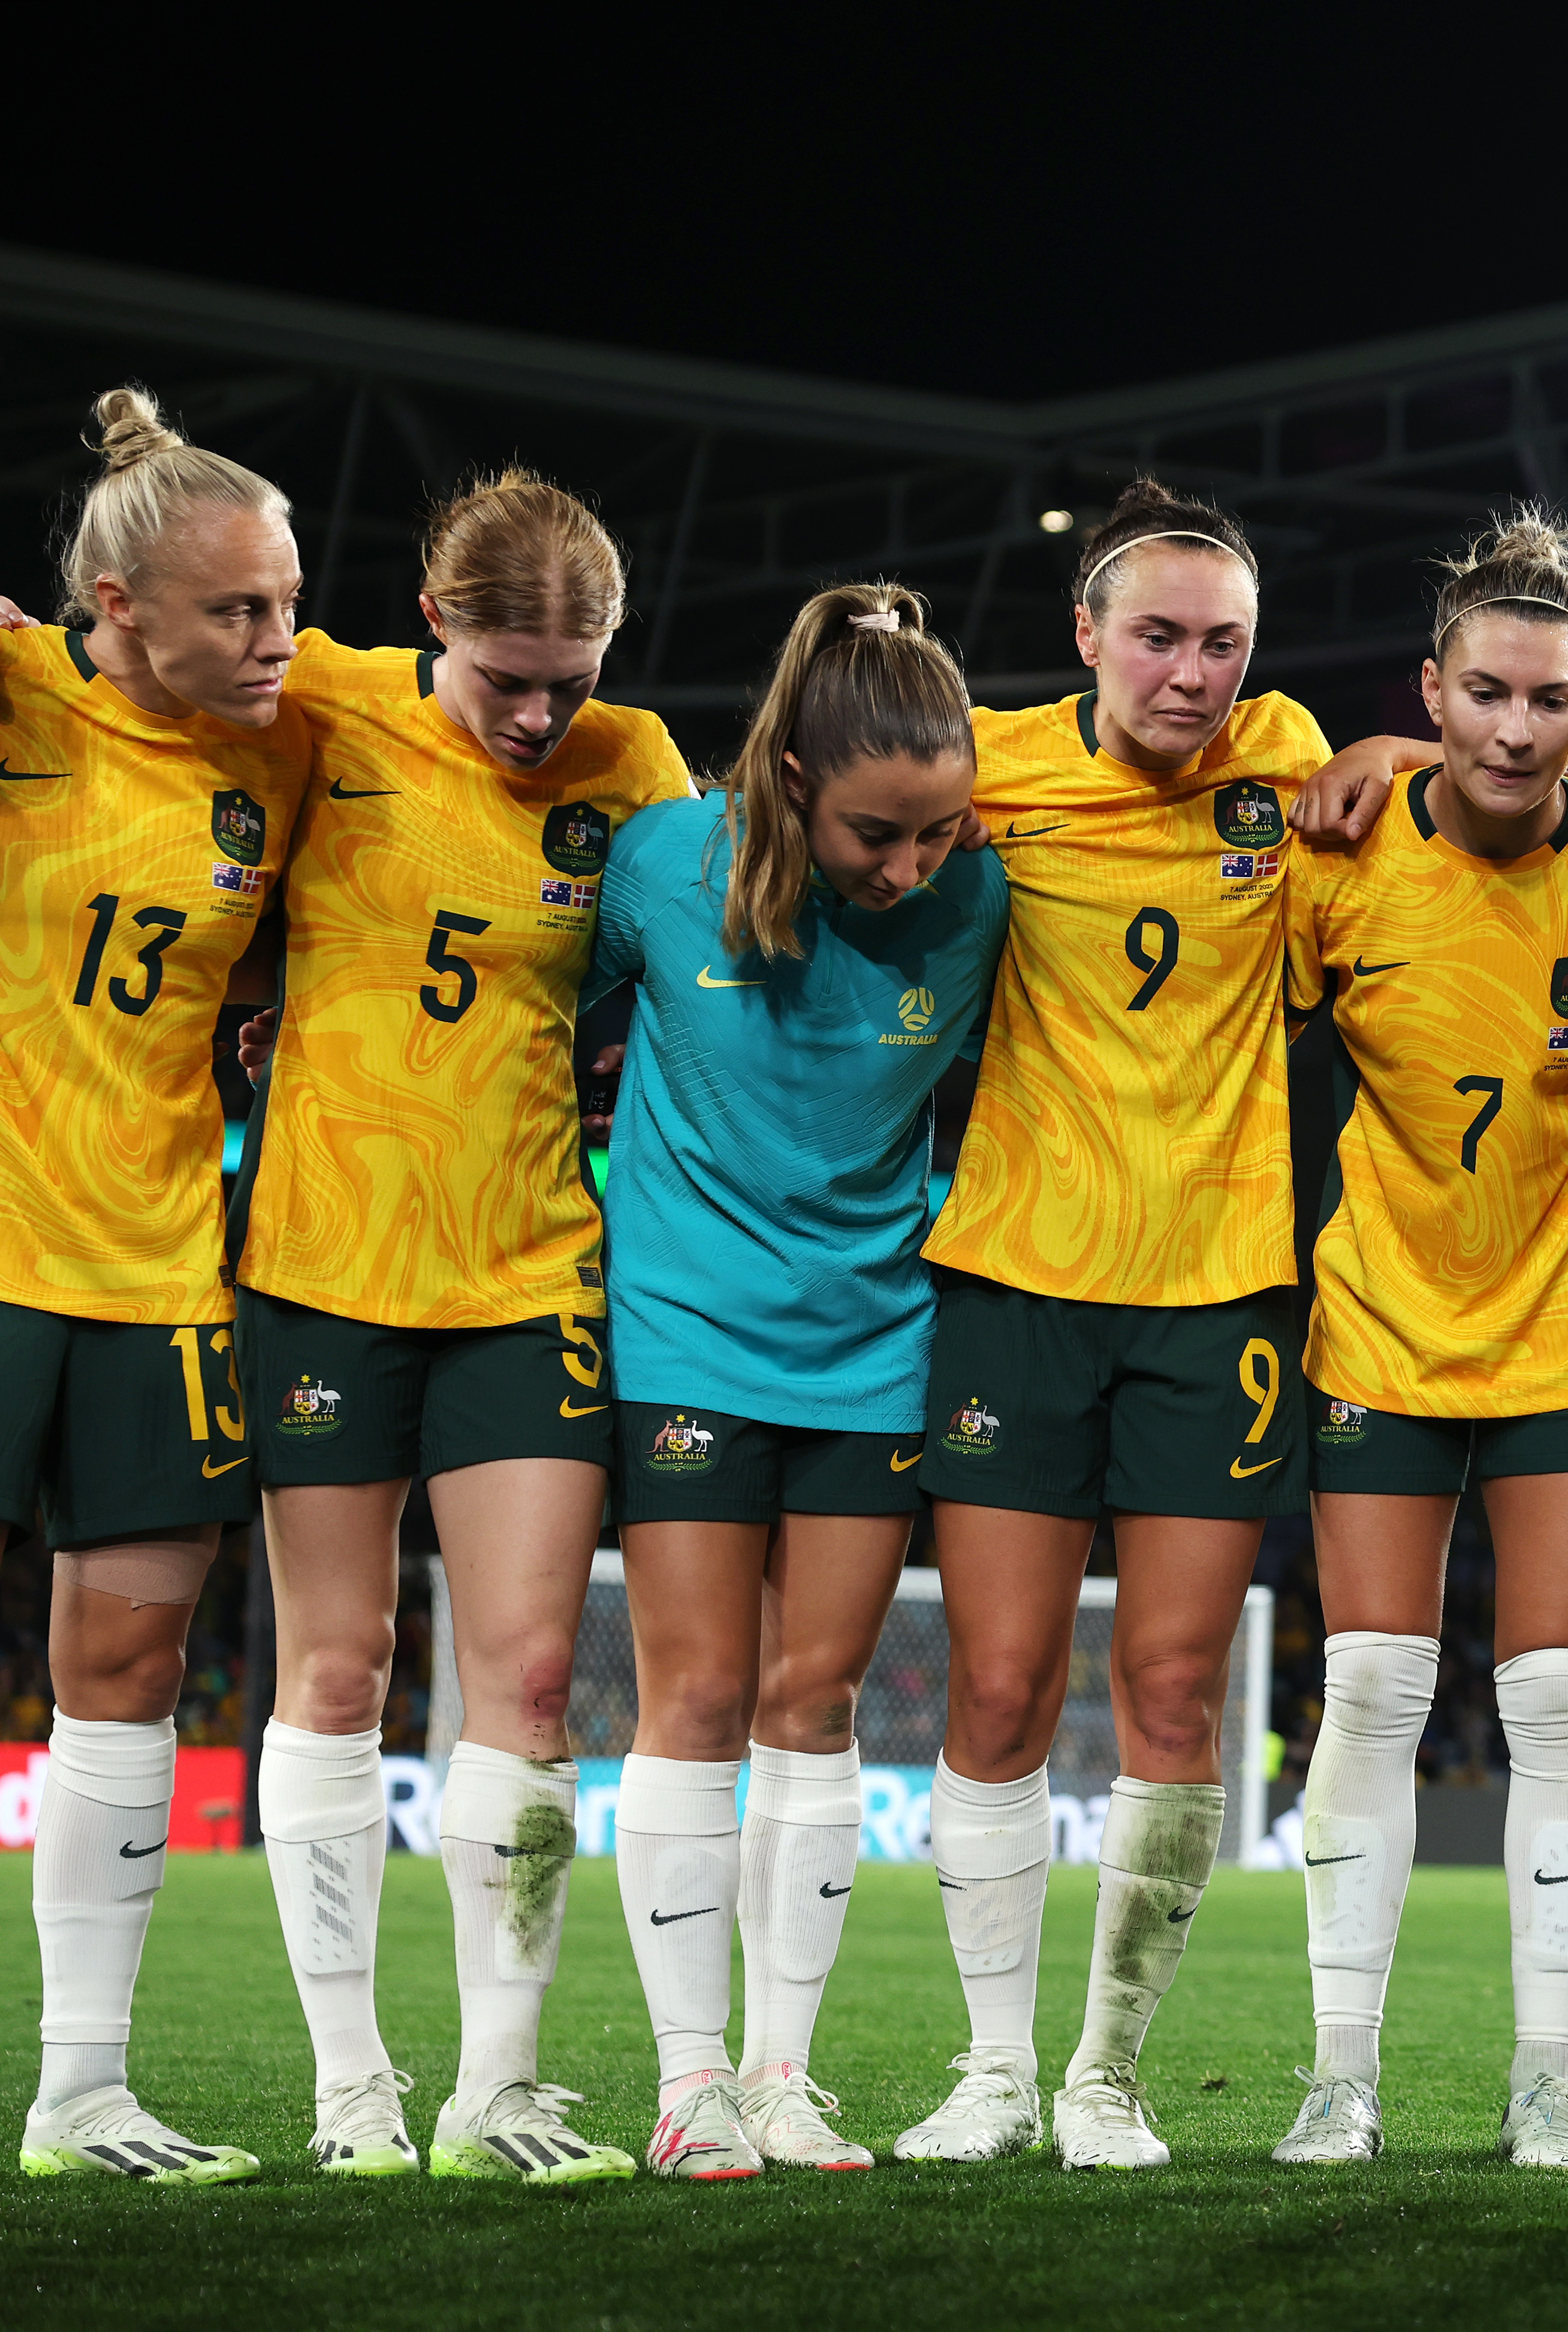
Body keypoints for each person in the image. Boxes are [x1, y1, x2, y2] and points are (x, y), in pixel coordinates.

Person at [894, 483, 1428, 2167]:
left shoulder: (1288, 764)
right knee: (991, 1686)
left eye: (1222, 643)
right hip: (1016, 1283)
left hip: (1220, 1298)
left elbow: (1442, 793)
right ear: (1084, 638)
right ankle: (991, 2068)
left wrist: (1401, 752)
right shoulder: (988, 773)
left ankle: (1107, 2074)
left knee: (1178, 1686)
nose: (1191, 674)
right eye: (1158, 637)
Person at [242, 471, 690, 2185]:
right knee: (338, 1672)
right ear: (435, 622)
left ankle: (493, 2091)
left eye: (569, 679)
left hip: (526, 1272)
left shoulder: (635, 767)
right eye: (508, 673)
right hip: (325, 1265)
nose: (536, 713)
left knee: (524, 1679)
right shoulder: (329, 704)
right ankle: (352, 2091)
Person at [1269, 511, 1568, 2170]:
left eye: (1549, 699)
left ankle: (1548, 2081)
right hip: (1380, 1320)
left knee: (1553, 1703)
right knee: (1373, 1692)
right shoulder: (1342, 855)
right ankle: (1341, 2075)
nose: (1515, 727)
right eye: (1482, 694)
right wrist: (1370, 763)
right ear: (1431, 691)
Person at [586, 583, 1008, 2179]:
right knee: (694, 1691)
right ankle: (687, 2084)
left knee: (814, 1699)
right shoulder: (661, 866)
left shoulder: (979, 893)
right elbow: (529, 1016)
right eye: (876, 837)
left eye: (937, 833)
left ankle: (782, 2072)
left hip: (873, 1347)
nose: (909, 870)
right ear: (786, 788)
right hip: (689, 1332)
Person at [5, 388, 310, 2186]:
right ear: (111, 608)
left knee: (124, 1659)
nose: (280, 642)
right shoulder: (22, 696)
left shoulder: (291, 736)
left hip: (153, 1269)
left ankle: (80, 2091)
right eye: (237, 613)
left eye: (286, 601)